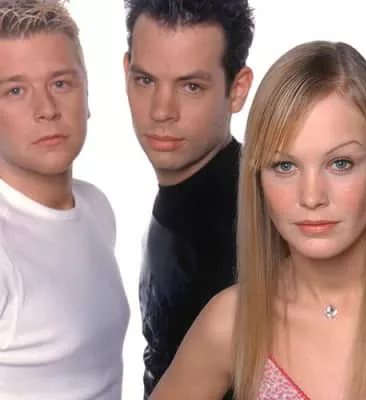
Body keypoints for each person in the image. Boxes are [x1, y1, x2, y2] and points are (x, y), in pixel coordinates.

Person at [149, 40, 366, 400]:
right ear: (257, 176)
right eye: (285, 166)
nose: (311, 197)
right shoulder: (232, 323)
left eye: (340, 163)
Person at [122, 0, 254, 398]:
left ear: (237, 90)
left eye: (191, 86)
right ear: (126, 72)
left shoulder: (266, 221)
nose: (162, 111)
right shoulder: (182, 197)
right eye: (146, 81)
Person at [0, 1, 130, 399]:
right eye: (15, 90)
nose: (46, 110)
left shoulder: (95, 207)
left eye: (60, 83)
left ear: (86, 94)